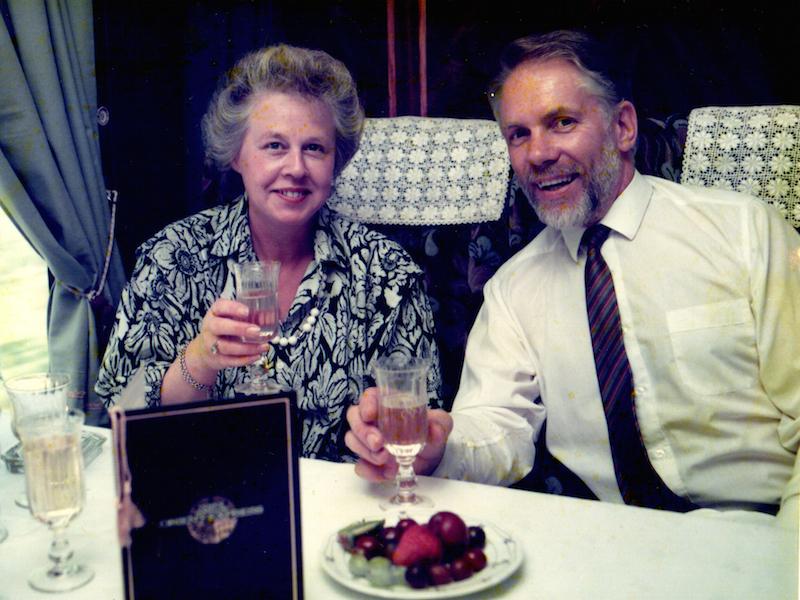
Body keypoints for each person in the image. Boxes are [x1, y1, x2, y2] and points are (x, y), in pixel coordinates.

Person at [346, 30, 800, 528]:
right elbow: (498, 426)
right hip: (613, 544)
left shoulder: (743, 231)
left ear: (623, 127)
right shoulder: (512, 288)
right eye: (519, 134)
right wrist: (440, 445)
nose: (537, 154)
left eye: (561, 122)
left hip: (762, 532)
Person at [96, 44, 441, 461]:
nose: (295, 167)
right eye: (275, 146)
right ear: (236, 155)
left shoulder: (388, 275)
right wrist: (201, 359)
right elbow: (119, 419)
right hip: (214, 510)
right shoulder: (171, 258)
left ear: (337, 161)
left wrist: (383, 442)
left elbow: (424, 438)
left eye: (314, 148)